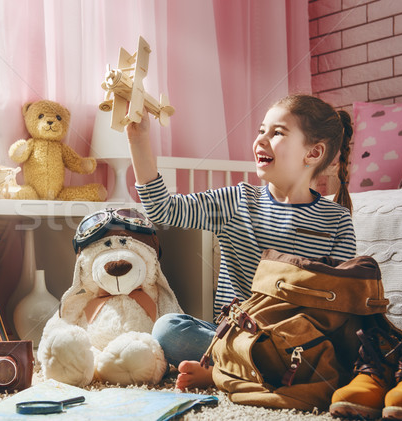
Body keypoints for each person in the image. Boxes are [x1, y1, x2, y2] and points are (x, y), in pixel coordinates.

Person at [126, 94, 356, 390]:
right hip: (231, 336)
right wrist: (138, 140)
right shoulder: (237, 201)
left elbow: (340, 304)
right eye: (262, 130)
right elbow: (163, 210)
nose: (261, 139)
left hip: (296, 344)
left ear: (312, 153)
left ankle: (223, 373)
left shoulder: (336, 219)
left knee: (339, 349)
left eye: (277, 133)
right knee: (168, 330)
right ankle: (249, 370)